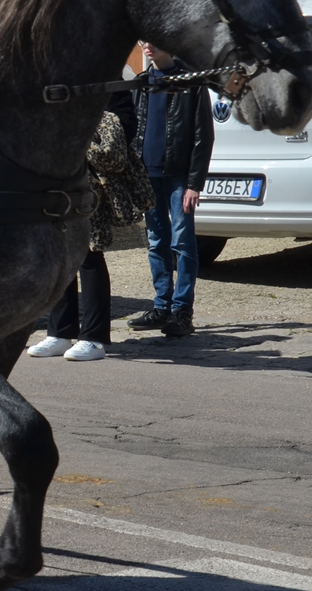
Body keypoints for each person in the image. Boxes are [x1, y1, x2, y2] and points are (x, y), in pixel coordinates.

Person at [28, 93, 150, 361]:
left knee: (89, 255)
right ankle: (60, 333)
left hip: (89, 182)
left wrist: (83, 133)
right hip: (57, 179)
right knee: (60, 256)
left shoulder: (107, 84)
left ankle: (93, 338)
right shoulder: (58, 85)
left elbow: (126, 125)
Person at [129, 43, 213, 337]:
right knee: (156, 242)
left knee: (183, 242)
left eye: (154, 39)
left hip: (179, 176)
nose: (148, 45)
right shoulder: (141, 83)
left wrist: (194, 184)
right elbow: (132, 129)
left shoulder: (191, 82)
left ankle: (182, 312)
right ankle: (161, 307)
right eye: (143, 40)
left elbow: (203, 135)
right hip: (148, 175)